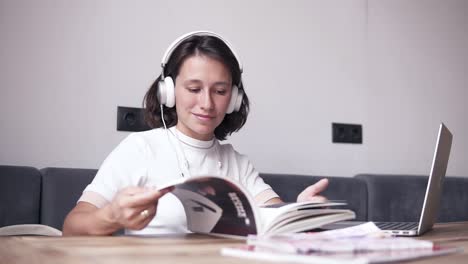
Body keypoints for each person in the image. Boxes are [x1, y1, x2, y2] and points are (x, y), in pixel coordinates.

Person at [62, 31, 329, 236]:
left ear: (234, 99)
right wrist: (112, 216)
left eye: (220, 91)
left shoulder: (237, 163)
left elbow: (274, 219)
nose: (207, 103)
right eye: (193, 89)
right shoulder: (140, 148)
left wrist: (301, 214)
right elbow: (71, 227)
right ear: (168, 92)